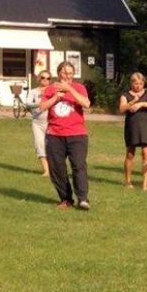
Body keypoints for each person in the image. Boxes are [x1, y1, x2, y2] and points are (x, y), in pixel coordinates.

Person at [39, 60, 92, 210]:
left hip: (77, 134)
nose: (67, 76)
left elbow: (86, 104)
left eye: (70, 73)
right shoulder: (50, 89)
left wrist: (69, 89)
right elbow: (42, 107)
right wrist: (56, 97)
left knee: (78, 166)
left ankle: (83, 198)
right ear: (58, 74)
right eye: (64, 73)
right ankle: (66, 198)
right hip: (54, 135)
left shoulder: (79, 87)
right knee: (57, 169)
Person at [120, 72, 147, 191]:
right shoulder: (125, 95)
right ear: (131, 83)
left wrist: (141, 103)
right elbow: (122, 108)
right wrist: (132, 102)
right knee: (130, 154)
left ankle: (145, 184)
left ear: (143, 83)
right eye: (136, 83)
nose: (138, 86)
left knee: (146, 154)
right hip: (132, 127)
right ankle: (128, 181)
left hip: (146, 126)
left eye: (141, 83)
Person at [27, 71, 51, 177]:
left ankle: (54, 169)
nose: (45, 80)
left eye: (48, 78)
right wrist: (38, 103)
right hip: (37, 122)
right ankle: (46, 171)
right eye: (43, 77)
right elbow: (27, 103)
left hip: (51, 122)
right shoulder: (33, 91)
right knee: (39, 145)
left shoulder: (53, 91)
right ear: (39, 79)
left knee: (52, 147)